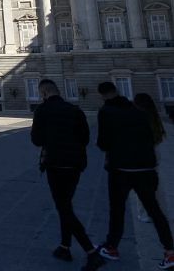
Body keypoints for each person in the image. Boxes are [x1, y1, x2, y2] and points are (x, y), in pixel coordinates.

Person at [95, 82, 173, 269]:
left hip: (121, 169)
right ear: (118, 91)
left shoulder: (106, 111)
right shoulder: (138, 111)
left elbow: (103, 143)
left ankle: (112, 247)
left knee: (117, 210)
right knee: (155, 210)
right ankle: (170, 252)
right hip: (146, 168)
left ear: (102, 95)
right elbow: (149, 136)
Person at [30, 79, 104, 270]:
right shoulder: (75, 110)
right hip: (76, 164)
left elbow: (37, 140)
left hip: (55, 164)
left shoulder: (42, 111)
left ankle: (91, 252)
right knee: (66, 204)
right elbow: (85, 138)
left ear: (44, 93)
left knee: (63, 208)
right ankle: (65, 246)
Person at [134, 93, 168, 223]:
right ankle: (159, 211)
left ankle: (144, 214)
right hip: (154, 153)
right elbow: (158, 137)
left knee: (141, 187)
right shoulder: (154, 116)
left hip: (141, 155)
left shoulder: (137, 117)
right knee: (156, 185)